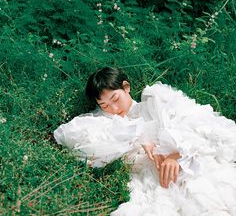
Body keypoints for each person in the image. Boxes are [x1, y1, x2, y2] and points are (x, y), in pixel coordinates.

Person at [54, 67, 236, 215]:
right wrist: (139, 137)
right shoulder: (109, 123)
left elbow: (195, 125)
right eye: (105, 105)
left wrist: (175, 155)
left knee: (207, 196)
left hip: (186, 164)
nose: (114, 108)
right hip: (151, 180)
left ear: (126, 87)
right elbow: (70, 136)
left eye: (115, 99)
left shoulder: (153, 100)